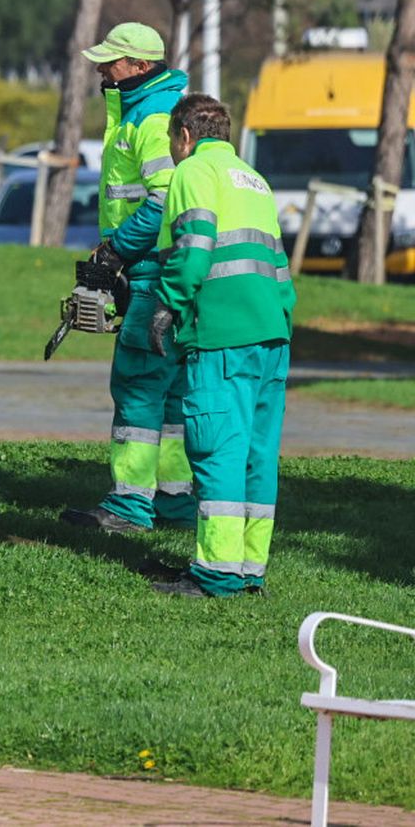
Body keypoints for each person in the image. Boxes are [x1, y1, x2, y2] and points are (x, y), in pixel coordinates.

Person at [145, 95, 294, 598]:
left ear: (185, 135)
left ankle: (215, 574)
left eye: (171, 140)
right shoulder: (255, 180)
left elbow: (194, 247)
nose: (171, 149)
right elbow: (278, 265)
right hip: (271, 334)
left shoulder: (193, 172)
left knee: (217, 451)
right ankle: (250, 570)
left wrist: (166, 304)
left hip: (222, 336)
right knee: (257, 455)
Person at [60, 22, 196, 535]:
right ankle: (175, 503)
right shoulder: (146, 112)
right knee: (174, 394)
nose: (101, 69)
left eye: (111, 61)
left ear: (140, 67)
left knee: (139, 386)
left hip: (153, 271)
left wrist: (115, 251)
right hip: (167, 269)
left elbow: (162, 202)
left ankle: (130, 506)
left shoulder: (152, 117)